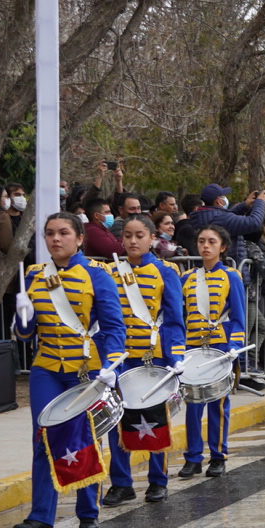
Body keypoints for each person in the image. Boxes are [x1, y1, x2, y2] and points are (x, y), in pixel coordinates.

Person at [10, 212, 127, 528]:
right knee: (43, 439)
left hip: (85, 369)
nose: (55, 239)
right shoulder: (35, 275)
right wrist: (22, 318)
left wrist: (111, 367)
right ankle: (41, 519)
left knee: (84, 438)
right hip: (46, 368)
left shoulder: (96, 273)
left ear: (78, 239)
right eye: (49, 234)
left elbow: (114, 327)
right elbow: (25, 335)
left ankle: (88, 512)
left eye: (63, 233)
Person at [101, 215, 185, 505]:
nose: (133, 241)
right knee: (116, 422)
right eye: (127, 235)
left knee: (155, 421)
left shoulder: (165, 271)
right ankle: (121, 483)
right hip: (119, 359)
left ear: (152, 238)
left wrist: (176, 356)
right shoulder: (110, 272)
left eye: (139, 235)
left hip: (152, 358)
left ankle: (157, 480)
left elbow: (174, 319)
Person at [179, 225, 247, 477]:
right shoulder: (187, 278)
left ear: (223, 247)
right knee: (192, 405)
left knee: (218, 404)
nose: (205, 246)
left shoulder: (231, 276)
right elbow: (180, 316)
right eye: (201, 241)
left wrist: (235, 347)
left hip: (220, 347)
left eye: (211, 242)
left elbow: (239, 317)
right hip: (192, 347)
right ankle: (193, 457)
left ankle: (218, 455)